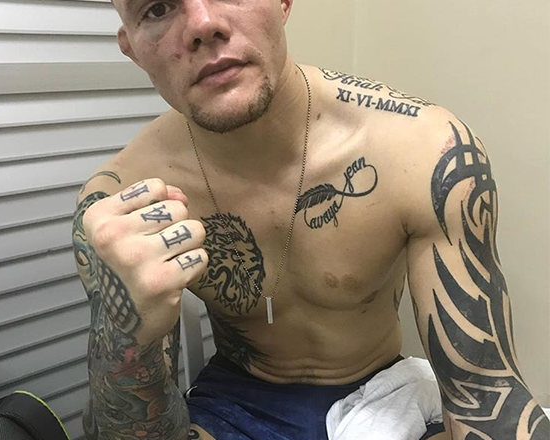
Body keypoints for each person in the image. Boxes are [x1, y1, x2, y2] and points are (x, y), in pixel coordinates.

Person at [72, 0, 550, 439]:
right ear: (132, 48)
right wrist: (126, 329)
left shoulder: (423, 152)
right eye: (157, 8)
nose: (203, 24)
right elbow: (128, 430)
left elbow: (484, 395)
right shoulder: (122, 203)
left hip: (379, 390)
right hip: (235, 404)